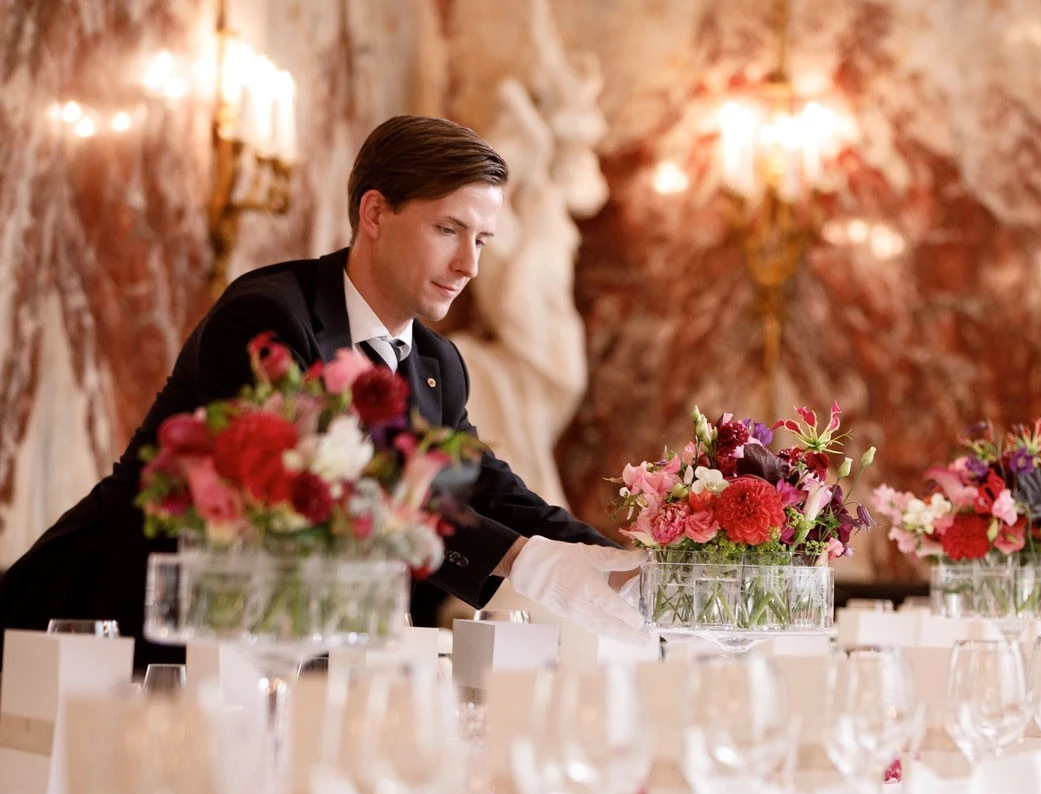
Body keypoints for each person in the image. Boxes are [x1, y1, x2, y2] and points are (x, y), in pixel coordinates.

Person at [0, 115, 645, 672]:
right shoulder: (269, 317)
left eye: (482, 240)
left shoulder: (436, 363)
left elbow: (480, 485)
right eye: (449, 230)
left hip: (259, 646)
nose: (469, 265)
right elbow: (349, 493)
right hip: (100, 626)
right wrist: (524, 562)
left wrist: (619, 568)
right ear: (374, 213)